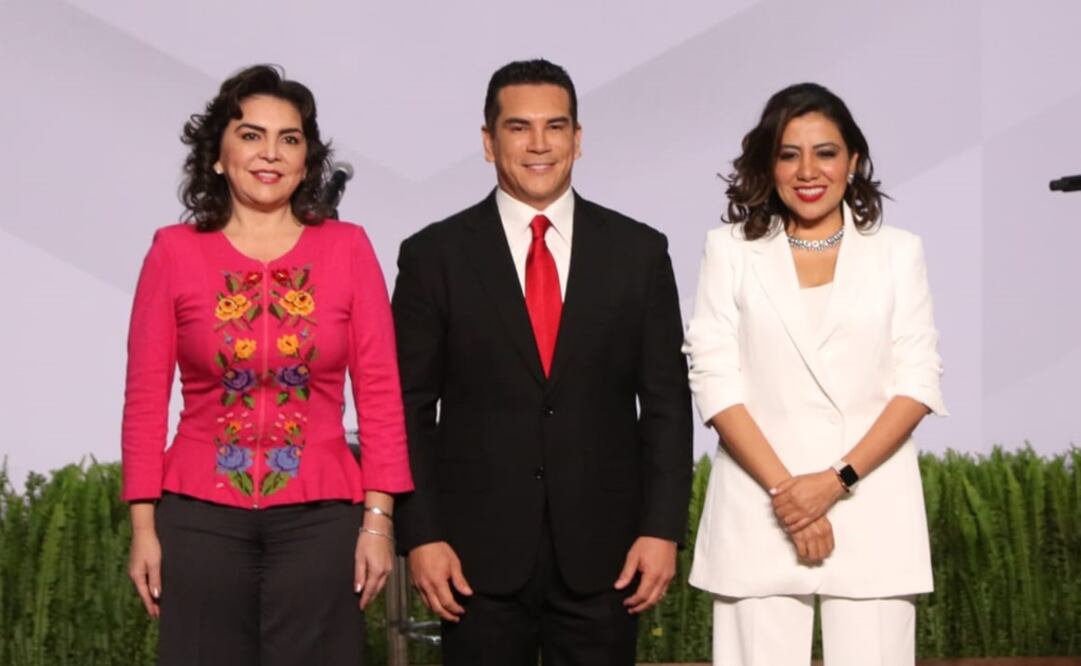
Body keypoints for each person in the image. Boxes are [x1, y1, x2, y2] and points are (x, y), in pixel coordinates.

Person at [391, 58, 693, 665]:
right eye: (518, 127)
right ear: (487, 141)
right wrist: (421, 534)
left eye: (555, 127)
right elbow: (407, 408)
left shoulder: (638, 252)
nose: (538, 144)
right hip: (473, 562)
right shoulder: (434, 255)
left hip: (606, 560)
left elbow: (665, 403)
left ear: (577, 141)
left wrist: (661, 531)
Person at [121, 64, 413, 665]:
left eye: (290, 138)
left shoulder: (349, 248)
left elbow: (381, 394)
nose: (270, 153)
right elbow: (146, 398)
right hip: (199, 519)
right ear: (218, 156)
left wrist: (378, 524)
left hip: (321, 521)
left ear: (307, 161)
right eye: (251, 135)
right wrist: (144, 528)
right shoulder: (172, 253)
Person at [683, 82, 947, 666]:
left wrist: (833, 482)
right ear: (767, 165)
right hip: (759, 507)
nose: (808, 170)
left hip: (871, 505)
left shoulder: (899, 252)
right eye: (788, 153)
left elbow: (918, 381)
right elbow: (714, 379)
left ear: (853, 161)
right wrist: (787, 494)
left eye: (825, 152)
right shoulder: (727, 250)